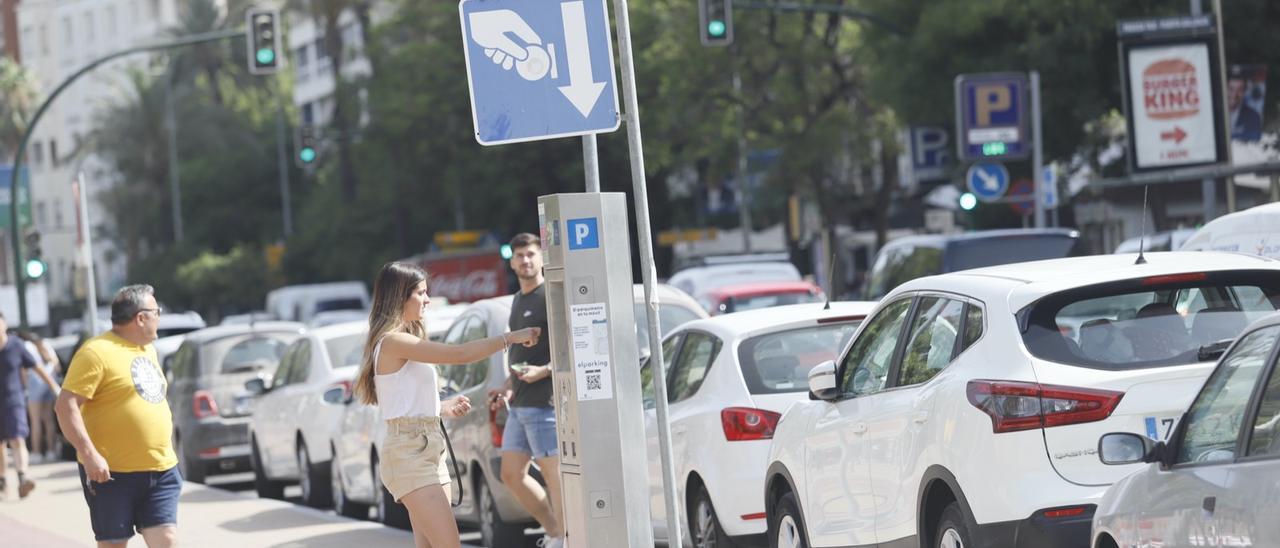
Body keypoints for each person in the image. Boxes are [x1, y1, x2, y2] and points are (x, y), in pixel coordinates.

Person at [353, 262, 539, 548]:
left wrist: (441, 408)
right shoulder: (393, 342)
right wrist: (510, 338)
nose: (427, 300)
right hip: (409, 453)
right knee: (448, 544)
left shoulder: (405, 340)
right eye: (421, 293)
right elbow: (460, 353)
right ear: (399, 297)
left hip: (428, 446)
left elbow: (401, 399)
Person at [55, 285, 181, 547]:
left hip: (161, 469)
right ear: (141, 317)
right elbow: (65, 406)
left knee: (167, 540)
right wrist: (89, 454)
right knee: (114, 544)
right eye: (156, 311)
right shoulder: (96, 353)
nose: (159, 317)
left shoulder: (148, 349)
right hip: (112, 473)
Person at [488, 233, 564, 548]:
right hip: (519, 404)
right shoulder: (518, 299)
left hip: (544, 404)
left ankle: (567, 538)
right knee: (510, 474)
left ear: (542, 257)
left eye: (531, 254)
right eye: (519, 256)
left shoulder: (550, 295)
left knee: (554, 477)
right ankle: (555, 531)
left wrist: (544, 371)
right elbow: (521, 358)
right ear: (512, 261)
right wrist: (506, 387)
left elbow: (572, 345)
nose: (526, 261)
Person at [0, 314, 59, 500]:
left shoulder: (16, 345)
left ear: (4, 323)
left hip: (13, 400)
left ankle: (23, 476)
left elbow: (37, 367)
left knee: (17, 439)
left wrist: (54, 388)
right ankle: (2, 479)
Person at [20, 332, 61, 462]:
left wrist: (24, 387)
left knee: (35, 421)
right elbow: (58, 367)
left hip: (34, 384)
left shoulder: (26, 346)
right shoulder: (46, 344)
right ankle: (51, 451)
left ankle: (37, 453)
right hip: (50, 383)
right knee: (49, 420)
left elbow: (24, 370)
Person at [1228, 76, 1263, 141]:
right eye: (1231, 89)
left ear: (1244, 92)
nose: (1234, 94)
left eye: (1239, 89)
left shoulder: (1253, 117)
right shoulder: (1213, 114)